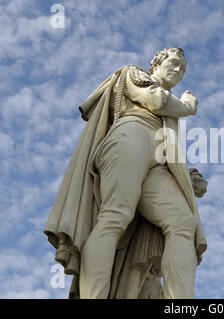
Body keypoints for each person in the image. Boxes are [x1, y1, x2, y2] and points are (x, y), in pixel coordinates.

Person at [44, 48, 207, 299]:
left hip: (160, 156)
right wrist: (187, 106)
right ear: (156, 64)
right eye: (174, 63)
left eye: (182, 69)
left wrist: (190, 173)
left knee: (183, 223)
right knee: (115, 215)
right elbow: (156, 101)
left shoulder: (171, 112)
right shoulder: (135, 74)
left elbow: (171, 147)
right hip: (131, 134)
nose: (178, 71)